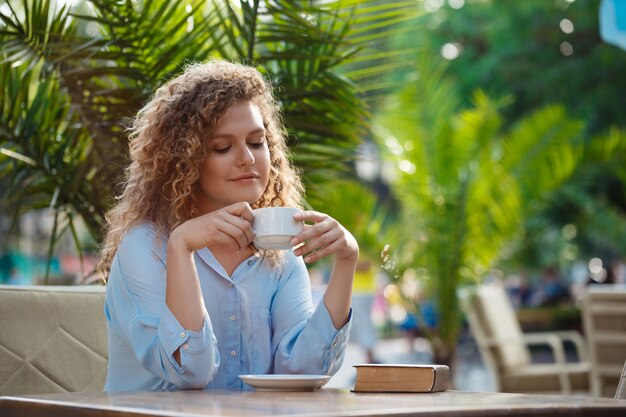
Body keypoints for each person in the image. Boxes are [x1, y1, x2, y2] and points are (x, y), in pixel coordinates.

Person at [97, 60, 359, 391]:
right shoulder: (144, 248)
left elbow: (302, 371)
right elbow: (190, 372)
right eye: (223, 147)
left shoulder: (278, 252)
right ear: (185, 159)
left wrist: (347, 260)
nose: (247, 158)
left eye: (256, 141)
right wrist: (181, 246)